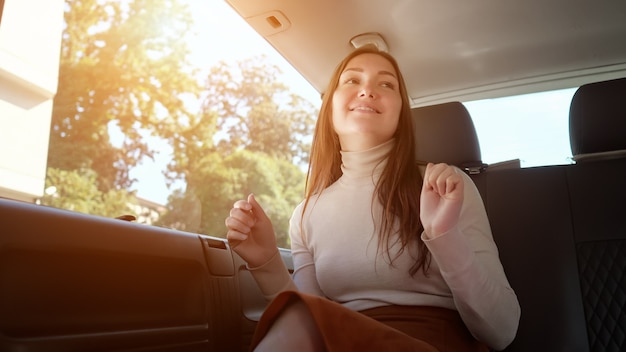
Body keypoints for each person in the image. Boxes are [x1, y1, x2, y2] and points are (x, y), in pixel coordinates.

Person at [225, 45, 520, 352]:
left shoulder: (445, 188)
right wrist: (267, 262)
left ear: (401, 114)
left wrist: (444, 234)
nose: (367, 90)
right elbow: (307, 318)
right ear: (329, 107)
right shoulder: (306, 214)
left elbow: (502, 330)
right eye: (352, 80)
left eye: (386, 84)